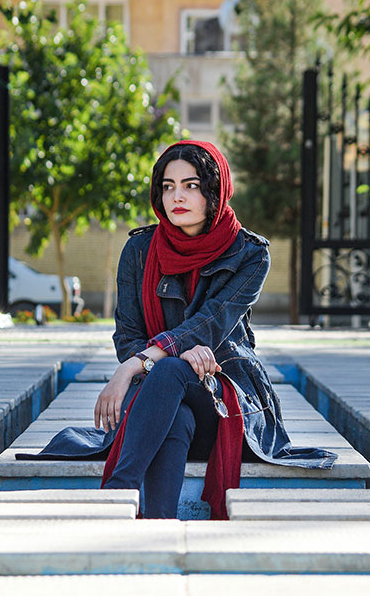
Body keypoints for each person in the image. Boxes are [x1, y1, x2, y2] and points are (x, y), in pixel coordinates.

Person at [22, 140, 336, 519]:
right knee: (176, 406)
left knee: (172, 371)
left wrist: (132, 366)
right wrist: (174, 354)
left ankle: (117, 494)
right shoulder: (140, 251)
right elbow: (128, 335)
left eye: (191, 185)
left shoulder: (250, 254)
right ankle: (159, 527)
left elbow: (212, 322)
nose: (177, 196)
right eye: (168, 186)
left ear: (214, 191)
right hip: (164, 403)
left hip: (226, 399)